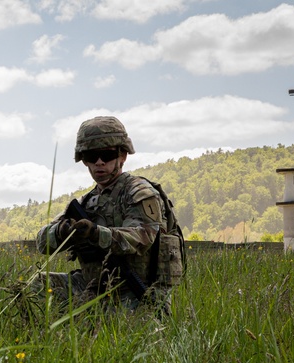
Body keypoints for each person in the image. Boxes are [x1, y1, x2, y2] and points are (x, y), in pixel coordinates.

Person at [35, 116, 183, 315]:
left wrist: (96, 234)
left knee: (120, 334)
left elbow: (141, 238)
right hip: (93, 287)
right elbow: (42, 242)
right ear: (83, 160)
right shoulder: (85, 202)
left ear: (122, 156)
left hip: (136, 292)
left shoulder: (139, 193)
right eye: (91, 156)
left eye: (106, 155)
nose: (99, 163)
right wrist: (63, 231)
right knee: (37, 285)